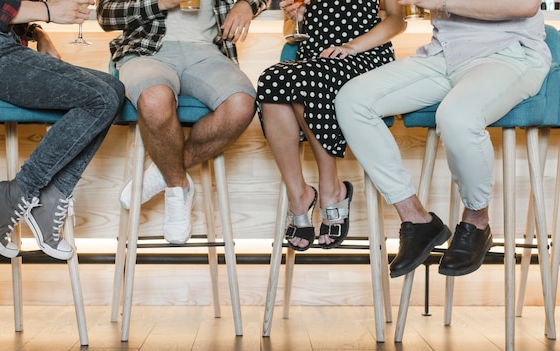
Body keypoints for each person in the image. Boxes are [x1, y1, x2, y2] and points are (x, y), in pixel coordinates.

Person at [335, 0, 550, 277]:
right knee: (352, 100)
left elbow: (525, 6)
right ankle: (416, 219)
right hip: (443, 55)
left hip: (508, 54)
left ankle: (477, 222)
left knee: (457, 117)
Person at [0, 0, 126, 260]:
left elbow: (5, 9)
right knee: (100, 99)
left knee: (113, 91)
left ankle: (51, 198)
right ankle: (17, 191)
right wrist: (48, 12)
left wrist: (37, 33)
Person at [97, 0, 267, 244]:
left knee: (242, 104)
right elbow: (106, 15)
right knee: (154, 99)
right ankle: (177, 186)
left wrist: (247, 5)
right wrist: (160, 3)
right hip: (148, 51)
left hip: (209, 53)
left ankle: (163, 171)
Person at [256, 0, 405, 251]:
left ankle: (331, 188)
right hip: (314, 57)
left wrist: (350, 47)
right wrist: (297, 15)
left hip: (363, 55)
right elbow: (290, 31)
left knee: (305, 81)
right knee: (270, 80)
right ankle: (299, 196)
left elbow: (396, 20)